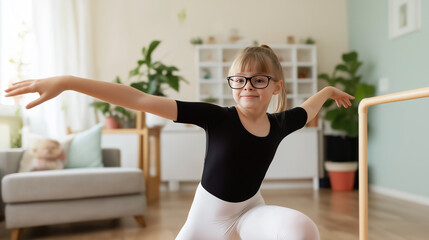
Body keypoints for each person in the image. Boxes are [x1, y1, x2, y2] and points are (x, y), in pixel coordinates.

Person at [4, 45, 354, 240]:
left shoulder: (279, 123)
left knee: (302, 229)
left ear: (276, 86)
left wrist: (326, 91)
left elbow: (307, 110)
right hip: (205, 223)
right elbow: (138, 99)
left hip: (250, 212)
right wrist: (65, 81)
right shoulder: (216, 117)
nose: (248, 86)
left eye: (259, 79)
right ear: (232, 83)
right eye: (240, 79)